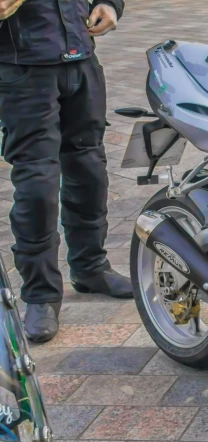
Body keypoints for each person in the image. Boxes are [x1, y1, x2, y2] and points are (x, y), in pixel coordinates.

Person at [0, 0, 130, 343]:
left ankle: (91, 268)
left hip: (81, 61)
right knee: (37, 187)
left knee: (90, 173)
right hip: (24, 68)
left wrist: (109, 4)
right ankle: (40, 294)